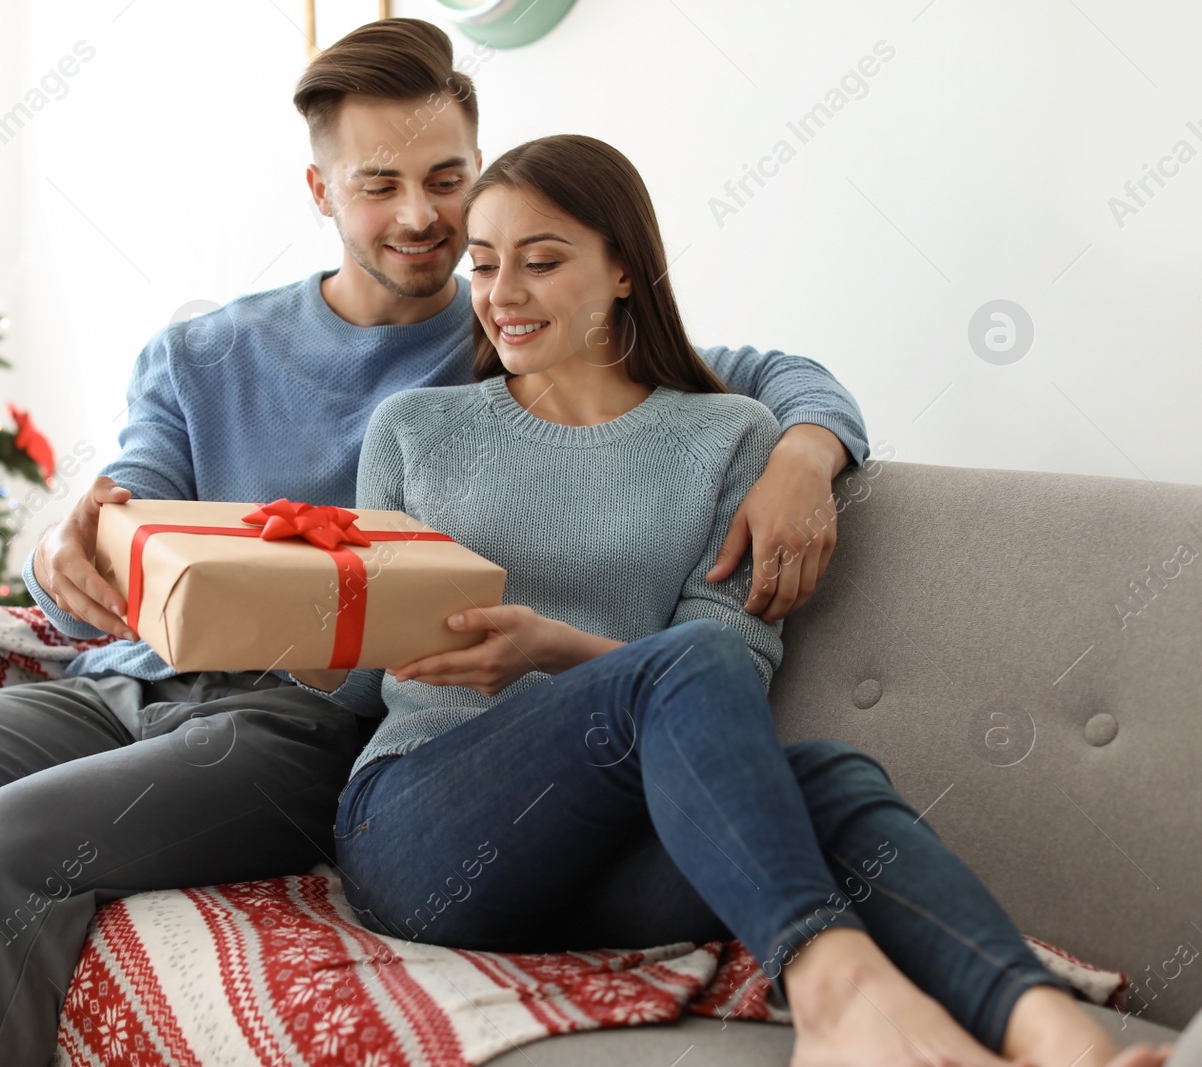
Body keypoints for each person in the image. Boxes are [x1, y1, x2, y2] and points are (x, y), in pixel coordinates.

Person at [0, 20, 871, 1067]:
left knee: (5, 846)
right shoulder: (202, 353)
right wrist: (67, 548)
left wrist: (806, 455)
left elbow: (759, 375)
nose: (420, 216)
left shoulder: (514, 336)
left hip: (303, 723)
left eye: (445, 181)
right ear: (320, 189)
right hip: (122, 686)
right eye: (380, 185)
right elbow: (119, 536)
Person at [289, 133, 1172, 1067]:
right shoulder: (416, 429)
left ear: (624, 269)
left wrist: (557, 643)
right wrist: (302, 639)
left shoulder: (728, 436)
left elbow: (729, 675)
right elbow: (353, 681)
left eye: (541, 262)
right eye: (484, 264)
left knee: (827, 775)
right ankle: (835, 995)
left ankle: (1062, 1039)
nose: (502, 292)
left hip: (607, 864)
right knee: (691, 671)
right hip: (424, 831)